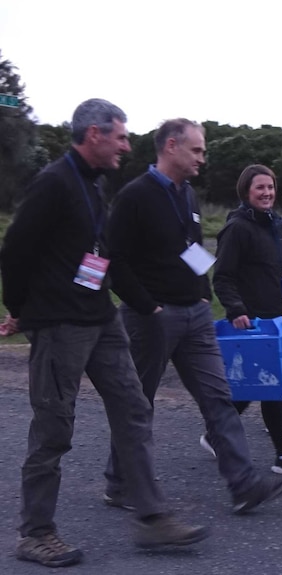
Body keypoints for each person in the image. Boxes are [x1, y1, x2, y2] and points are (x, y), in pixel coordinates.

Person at [0, 99, 208, 568]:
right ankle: (35, 533)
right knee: (54, 428)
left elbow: (100, 252)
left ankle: (153, 518)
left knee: (134, 409)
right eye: (120, 137)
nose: (127, 146)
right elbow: (14, 252)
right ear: (94, 134)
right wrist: (23, 312)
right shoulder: (54, 182)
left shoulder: (95, 184)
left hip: (101, 317)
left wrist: (136, 303)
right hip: (59, 325)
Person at [103, 119, 282, 514]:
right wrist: (145, 306)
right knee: (139, 403)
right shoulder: (135, 196)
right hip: (150, 318)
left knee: (219, 397)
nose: (203, 158)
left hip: (195, 317)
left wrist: (204, 294)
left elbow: (193, 249)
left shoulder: (187, 195)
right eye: (197, 151)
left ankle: (244, 485)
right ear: (171, 146)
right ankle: (119, 482)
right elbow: (111, 258)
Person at [209, 164, 282, 477]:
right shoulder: (238, 228)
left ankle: (217, 435)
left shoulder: (277, 226)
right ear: (246, 191)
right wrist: (236, 310)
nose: (267, 193)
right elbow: (223, 277)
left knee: (261, 388)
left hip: (279, 320)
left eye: (270, 188)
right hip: (254, 322)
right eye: (260, 188)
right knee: (272, 388)